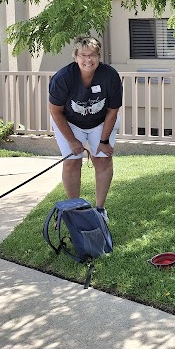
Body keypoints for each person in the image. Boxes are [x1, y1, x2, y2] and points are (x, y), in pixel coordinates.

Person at [49, 37, 123, 223]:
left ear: (99, 56)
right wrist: (73, 141)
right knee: (72, 162)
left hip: (101, 121)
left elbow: (112, 110)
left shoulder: (110, 75)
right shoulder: (63, 78)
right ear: (75, 57)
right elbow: (56, 112)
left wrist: (104, 142)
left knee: (103, 160)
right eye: (83, 55)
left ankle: (100, 209)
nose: (88, 60)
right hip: (69, 121)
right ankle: (75, 210)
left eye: (93, 55)